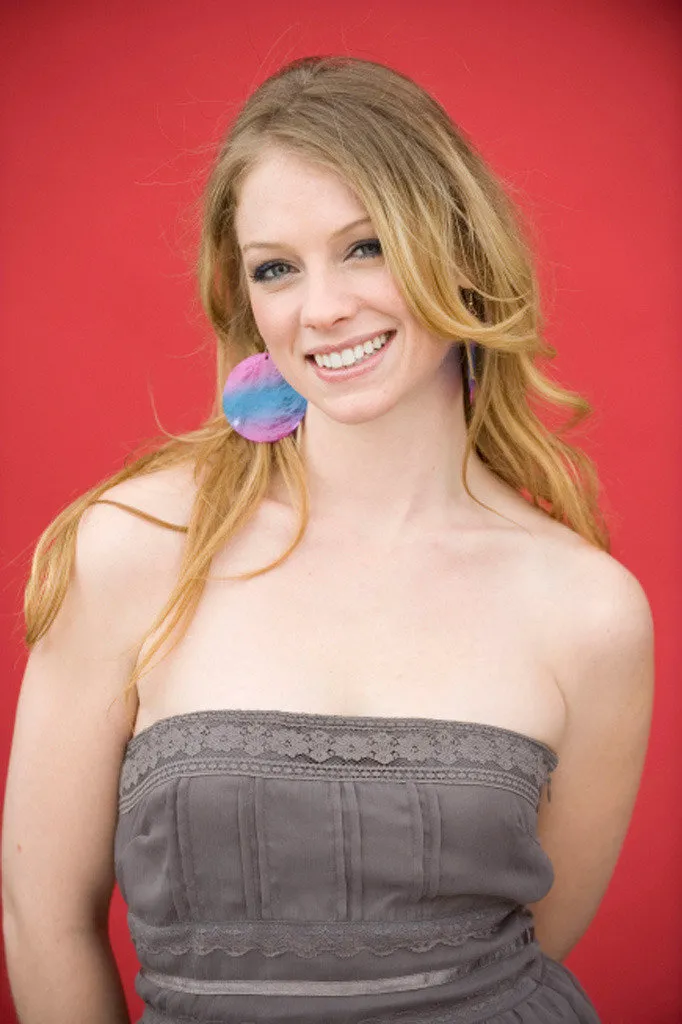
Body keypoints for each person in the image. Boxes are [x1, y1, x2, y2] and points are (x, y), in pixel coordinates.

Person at [2, 55, 654, 1024]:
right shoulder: (136, 546)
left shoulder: (590, 609)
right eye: (276, 268)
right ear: (245, 299)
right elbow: (42, 917)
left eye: (364, 247)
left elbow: (526, 943)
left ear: (460, 251)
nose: (322, 307)